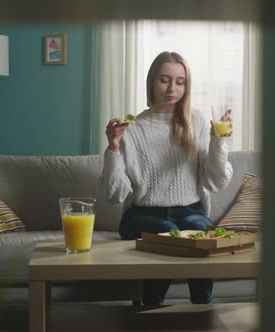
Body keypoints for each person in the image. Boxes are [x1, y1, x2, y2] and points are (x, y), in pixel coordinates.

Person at [100, 51, 233, 305]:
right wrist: (114, 147)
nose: (172, 88)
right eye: (164, 80)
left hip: (190, 211)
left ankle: (203, 311)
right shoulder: (132, 126)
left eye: (180, 81)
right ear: (152, 82)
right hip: (141, 215)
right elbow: (115, 194)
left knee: (199, 232)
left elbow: (215, 182)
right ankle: (150, 308)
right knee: (169, 234)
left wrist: (219, 140)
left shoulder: (197, 121)